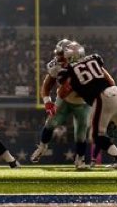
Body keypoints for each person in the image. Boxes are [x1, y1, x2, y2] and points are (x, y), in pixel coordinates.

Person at [56, 40, 117, 172]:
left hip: (101, 97)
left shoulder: (68, 71)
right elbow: (111, 80)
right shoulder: (94, 59)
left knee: (96, 135)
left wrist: (82, 91)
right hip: (115, 93)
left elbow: (63, 93)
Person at [30, 39, 96, 170]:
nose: (58, 57)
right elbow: (46, 86)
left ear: (74, 56)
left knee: (81, 133)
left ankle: (80, 160)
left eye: (62, 55)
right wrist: (48, 102)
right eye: (58, 54)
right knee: (50, 123)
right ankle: (42, 147)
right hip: (64, 101)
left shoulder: (86, 65)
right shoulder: (56, 65)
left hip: (83, 102)